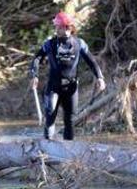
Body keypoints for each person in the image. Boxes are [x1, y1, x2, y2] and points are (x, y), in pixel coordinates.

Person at [29, 12, 106, 140]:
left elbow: (91, 61)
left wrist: (100, 77)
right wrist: (34, 75)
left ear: (68, 27)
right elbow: (37, 58)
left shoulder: (79, 43)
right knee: (50, 116)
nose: (57, 30)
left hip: (71, 88)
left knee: (69, 122)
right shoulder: (49, 44)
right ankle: (46, 150)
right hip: (53, 87)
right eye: (56, 27)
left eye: (59, 27)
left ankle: (68, 153)